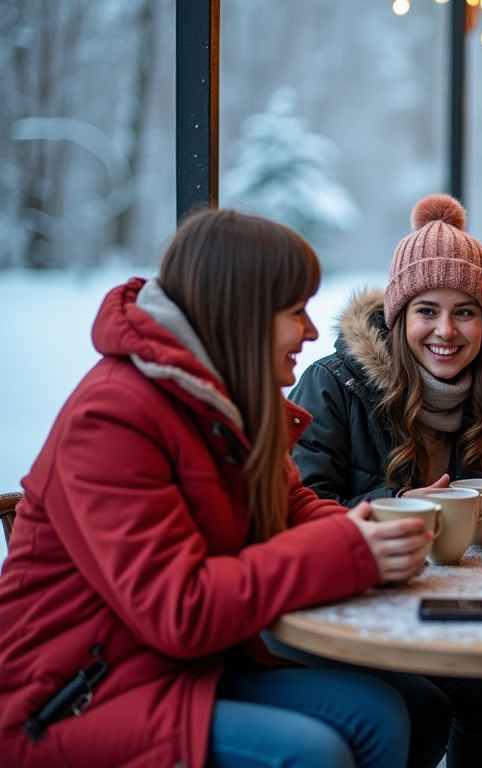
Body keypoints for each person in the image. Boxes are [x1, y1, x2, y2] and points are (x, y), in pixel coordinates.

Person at [0, 209, 432, 768]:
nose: (308, 329)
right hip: (72, 699)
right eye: (294, 311)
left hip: (181, 672)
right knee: (313, 752)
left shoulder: (228, 402)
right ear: (243, 314)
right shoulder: (112, 416)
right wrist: (349, 549)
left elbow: (292, 506)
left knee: (387, 714)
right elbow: (179, 608)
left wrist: (375, 526)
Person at [287, 193, 482, 768]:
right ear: (398, 316)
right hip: (338, 610)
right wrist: (397, 506)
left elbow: (464, 507)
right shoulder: (332, 385)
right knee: (425, 707)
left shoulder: (479, 397)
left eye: (465, 312)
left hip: (422, 600)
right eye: (427, 309)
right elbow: (297, 510)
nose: (446, 330)